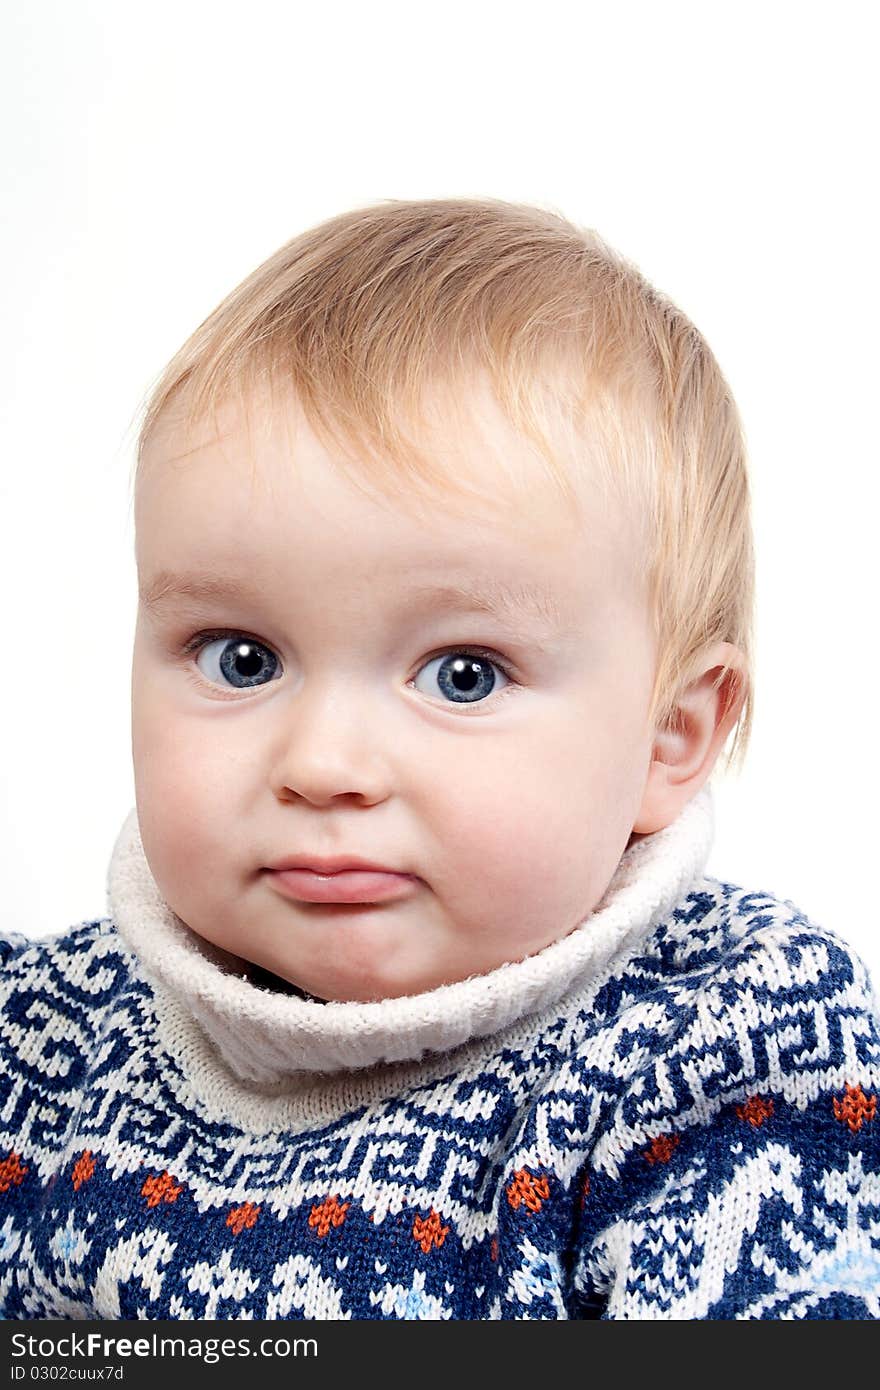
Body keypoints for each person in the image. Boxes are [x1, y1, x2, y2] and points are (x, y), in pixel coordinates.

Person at [1, 198, 878, 1321]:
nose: (322, 764)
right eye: (240, 657)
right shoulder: (43, 1038)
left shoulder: (725, 1041)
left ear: (672, 734)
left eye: (462, 674)